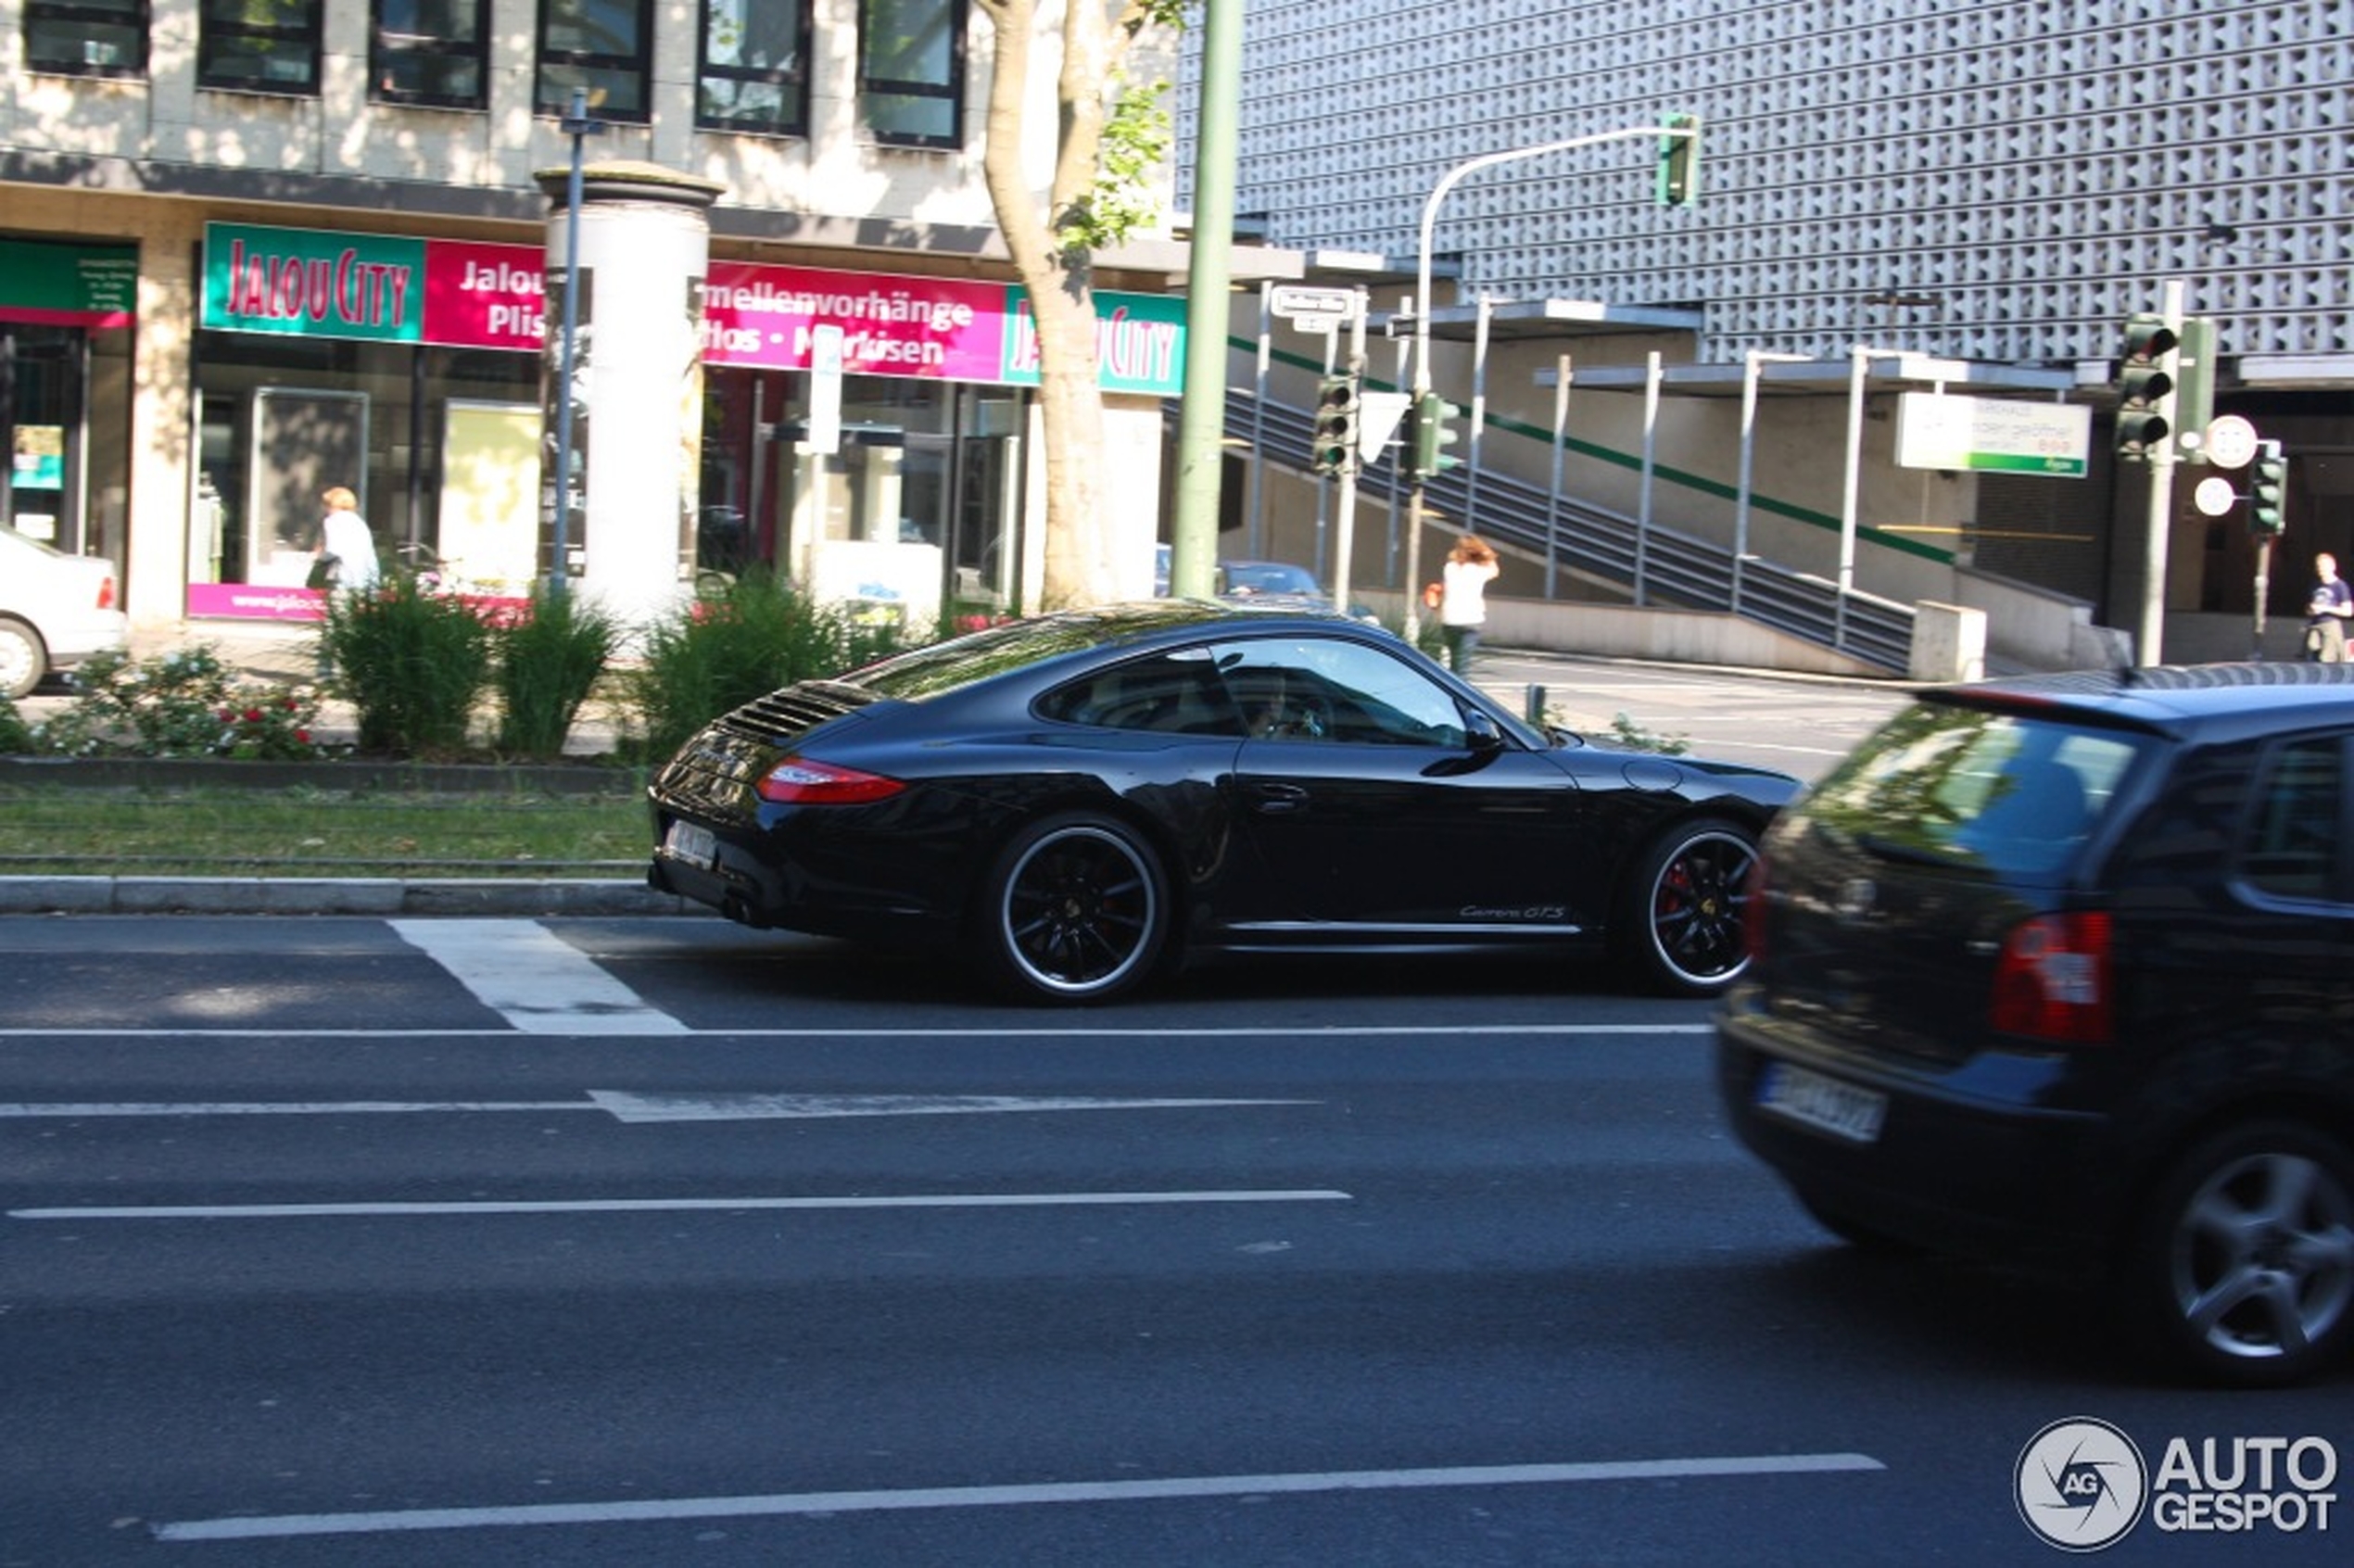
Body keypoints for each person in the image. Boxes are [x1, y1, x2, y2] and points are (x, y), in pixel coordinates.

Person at [1437, 534, 1500, 676]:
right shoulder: (1479, 570)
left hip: (1450, 620)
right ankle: (1459, 692)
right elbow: (1494, 569)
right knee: (1462, 665)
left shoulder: (1450, 568)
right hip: (1471, 619)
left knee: (1454, 661)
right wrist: (1485, 551)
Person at [313, 486, 381, 593]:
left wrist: (317, 557)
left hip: (343, 578)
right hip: (366, 580)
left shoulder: (332, 521)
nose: (325, 509)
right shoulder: (360, 523)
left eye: (327, 505)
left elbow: (333, 550)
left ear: (332, 504)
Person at [2305, 551, 2350, 664]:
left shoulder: (2340, 586)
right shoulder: (2316, 585)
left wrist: (2325, 608)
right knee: (2311, 653)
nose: (2321, 569)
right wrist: (2311, 609)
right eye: (2319, 566)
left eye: (2324, 566)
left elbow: (2348, 611)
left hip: (2330, 625)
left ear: (2333, 567)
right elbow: (2308, 608)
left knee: (2327, 658)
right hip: (2315, 625)